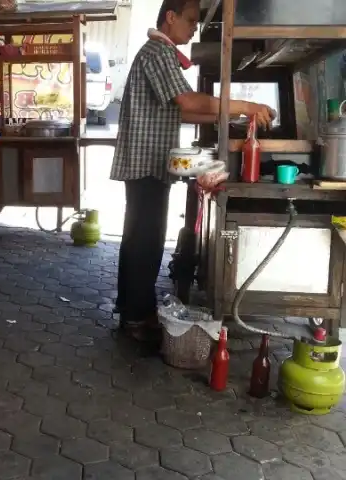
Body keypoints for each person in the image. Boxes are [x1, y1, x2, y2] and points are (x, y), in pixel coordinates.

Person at [111, 0, 275, 342]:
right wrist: (244, 105)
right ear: (169, 18)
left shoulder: (162, 53)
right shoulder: (158, 51)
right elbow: (187, 102)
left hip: (148, 162)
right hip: (145, 163)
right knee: (145, 241)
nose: (194, 27)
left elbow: (181, 112)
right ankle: (137, 318)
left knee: (141, 237)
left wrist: (230, 115)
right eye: (190, 20)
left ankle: (131, 311)